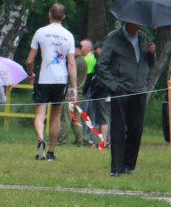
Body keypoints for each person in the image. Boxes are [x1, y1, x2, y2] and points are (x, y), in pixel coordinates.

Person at [95, 20, 156, 176]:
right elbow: (101, 64)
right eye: (137, 22)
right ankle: (116, 167)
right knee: (119, 128)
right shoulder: (114, 37)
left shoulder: (144, 38)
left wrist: (152, 53)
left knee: (136, 128)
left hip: (139, 89)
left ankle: (129, 165)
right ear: (128, 21)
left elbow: (150, 64)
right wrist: (114, 85)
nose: (141, 24)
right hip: (121, 88)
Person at [25, 3, 76, 161]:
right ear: (63, 17)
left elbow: (29, 60)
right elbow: (71, 63)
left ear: (49, 15)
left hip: (43, 78)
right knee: (56, 115)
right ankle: (51, 152)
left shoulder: (40, 32)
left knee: (40, 115)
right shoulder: (68, 35)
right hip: (60, 79)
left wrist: (30, 73)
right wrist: (73, 87)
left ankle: (41, 139)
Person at [58, 41, 87, 146]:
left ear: (77, 49)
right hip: (79, 91)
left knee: (66, 116)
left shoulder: (75, 62)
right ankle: (79, 140)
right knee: (76, 117)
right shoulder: (83, 61)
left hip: (71, 91)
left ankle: (62, 140)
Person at [86, 41, 110, 148]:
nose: (95, 51)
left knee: (103, 118)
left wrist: (106, 94)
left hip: (103, 94)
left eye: (97, 49)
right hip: (97, 93)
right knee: (95, 118)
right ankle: (93, 141)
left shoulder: (106, 61)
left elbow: (103, 80)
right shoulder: (98, 61)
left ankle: (104, 142)